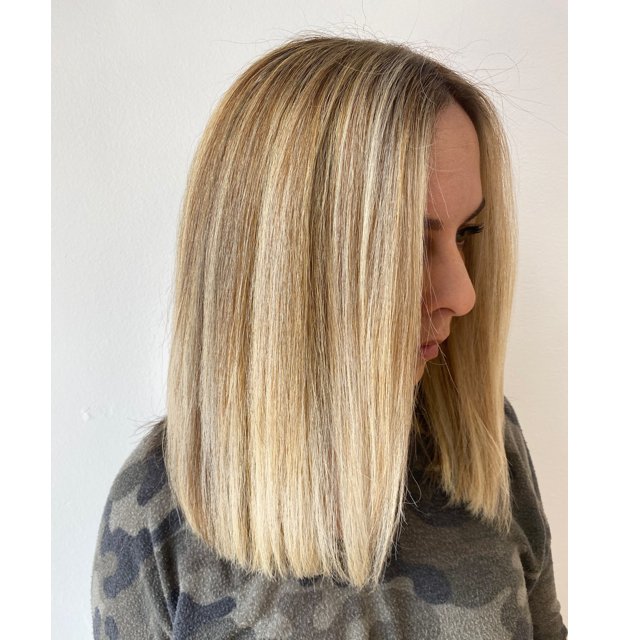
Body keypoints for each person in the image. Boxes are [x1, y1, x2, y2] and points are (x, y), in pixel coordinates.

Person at [91, 34, 567, 639]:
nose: (464, 294)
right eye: (408, 243)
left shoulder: (482, 444)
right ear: (286, 262)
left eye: (465, 235)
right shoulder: (158, 515)